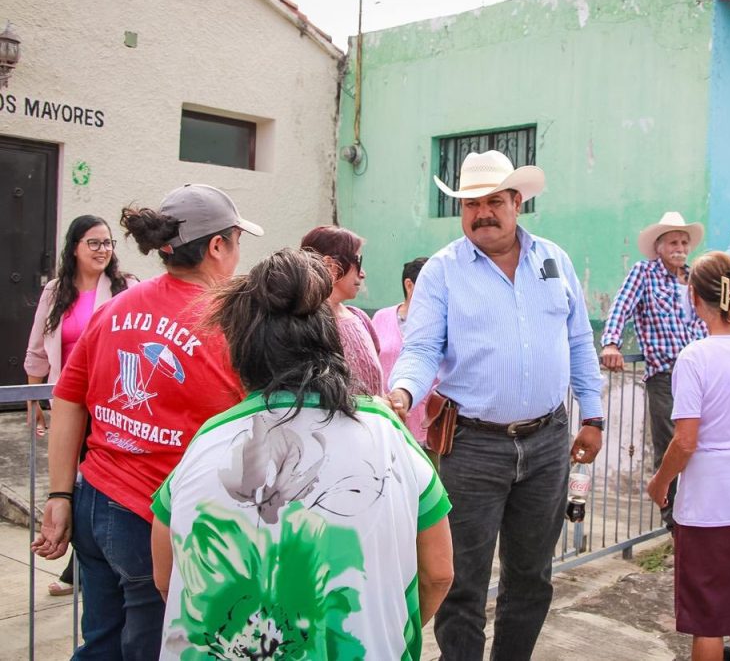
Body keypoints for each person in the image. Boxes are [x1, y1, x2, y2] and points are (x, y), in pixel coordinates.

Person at [150, 248, 453, 660]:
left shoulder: (208, 441)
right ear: (330, 340)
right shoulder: (389, 436)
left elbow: (167, 578)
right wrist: (389, 626)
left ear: (241, 348)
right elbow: (438, 572)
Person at [386, 150, 604, 660]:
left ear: (517, 202)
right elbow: (421, 350)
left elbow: (579, 342)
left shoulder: (554, 259)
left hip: (549, 441)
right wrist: (402, 394)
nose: (483, 212)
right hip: (472, 447)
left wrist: (591, 415)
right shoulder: (442, 271)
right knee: (460, 580)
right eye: (472, 203)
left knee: (531, 578)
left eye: (494, 201)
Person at [31, 184, 262, 660]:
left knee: (100, 643)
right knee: (150, 648)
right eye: (237, 240)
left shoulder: (115, 306)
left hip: (93, 503)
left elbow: (69, 399)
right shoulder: (229, 326)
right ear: (218, 246)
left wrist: (59, 495)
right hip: (154, 520)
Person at [647, 251, 730, 661]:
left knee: (707, 618)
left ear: (693, 296)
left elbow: (685, 440)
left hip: (711, 504)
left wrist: (660, 482)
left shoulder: (695, 358)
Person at [24, 215, 136, 596]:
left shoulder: (125, 288)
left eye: (107, 243)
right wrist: (34, 399)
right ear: (74, 247)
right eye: (94, 242)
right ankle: (82, 565)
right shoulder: (56, 292)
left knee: (96, 481)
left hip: (109, 404)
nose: (103, 249)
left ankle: (80, 570)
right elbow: (38, 350)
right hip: (69, 403)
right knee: (69, 479)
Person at [601, 211, 707, 527]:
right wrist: (610, 343)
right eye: (673, 241)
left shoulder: (693, 278)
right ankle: (673, 519)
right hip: (666, 374)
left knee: (701, 443)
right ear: (658, 247)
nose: (680, 248)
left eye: (684, 242)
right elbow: (621, 307)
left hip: (701, 373)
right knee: (672, 444)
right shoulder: (644, 273)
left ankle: (699, 511)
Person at [301, 225, 384, 396]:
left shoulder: (360, 318)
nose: (362, 274)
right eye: (358, 261)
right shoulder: (303, 324)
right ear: (330, 265)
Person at [372, 256, 430, 444]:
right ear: (409, 285)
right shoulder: (381, 317)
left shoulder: (439, 322)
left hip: (429, 424)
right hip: (389, 419)